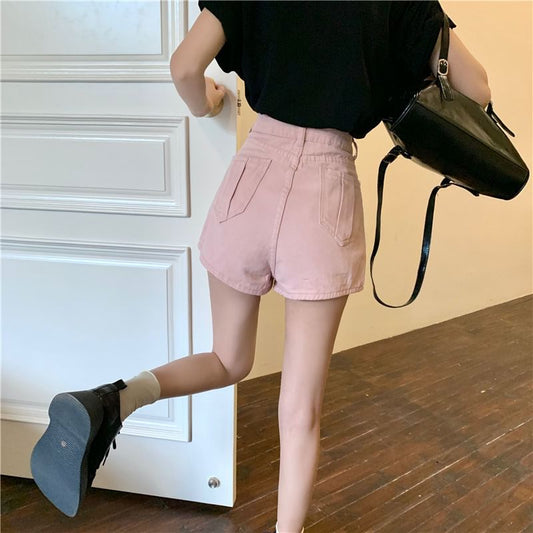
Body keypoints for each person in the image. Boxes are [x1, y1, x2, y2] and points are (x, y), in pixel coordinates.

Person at [30, 2, 491, 532]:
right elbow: (476, 88)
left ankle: (116, 400)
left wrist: (208, 103)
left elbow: (184, 66)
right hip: (326, 185)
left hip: (252, 174)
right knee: (300, 409)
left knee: (228, 358)